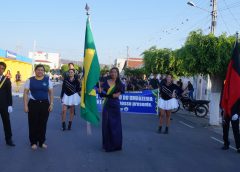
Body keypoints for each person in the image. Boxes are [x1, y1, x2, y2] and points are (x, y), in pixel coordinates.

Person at [23, 64, 54, 150]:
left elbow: (51, 93)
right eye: (38, 70)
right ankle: (33, 142)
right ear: (35, 71)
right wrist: (25, 105)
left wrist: (51, 104)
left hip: (44, 104)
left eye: (42, 70)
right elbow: (25, 93)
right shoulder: (29, 80)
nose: (40, 71)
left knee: (43, 123)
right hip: (33, 104)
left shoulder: (47, 80)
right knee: (33, 123)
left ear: (44, 71)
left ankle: (41, 142)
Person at [99, 67, 125, 152]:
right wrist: (100, 92)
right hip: (106, 105)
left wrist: (104, 94)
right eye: (112, 72)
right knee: (106, 124)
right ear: (110, 73)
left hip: (115, 106)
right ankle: (107, 144)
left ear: (117, 74)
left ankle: (115, 144)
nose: (113, 74)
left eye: (115, 72)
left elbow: (116, 95)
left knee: (115, 125)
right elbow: (101, 93)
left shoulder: (120, 84)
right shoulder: (106, 82)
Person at [0, 62, 15, 146]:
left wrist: (10, 105)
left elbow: (9, 93)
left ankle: (8, 139)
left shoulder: (7, 80)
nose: (0, 69)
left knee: (6, 122)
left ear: (4, 70)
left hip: (4, 105)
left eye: (2, 68)